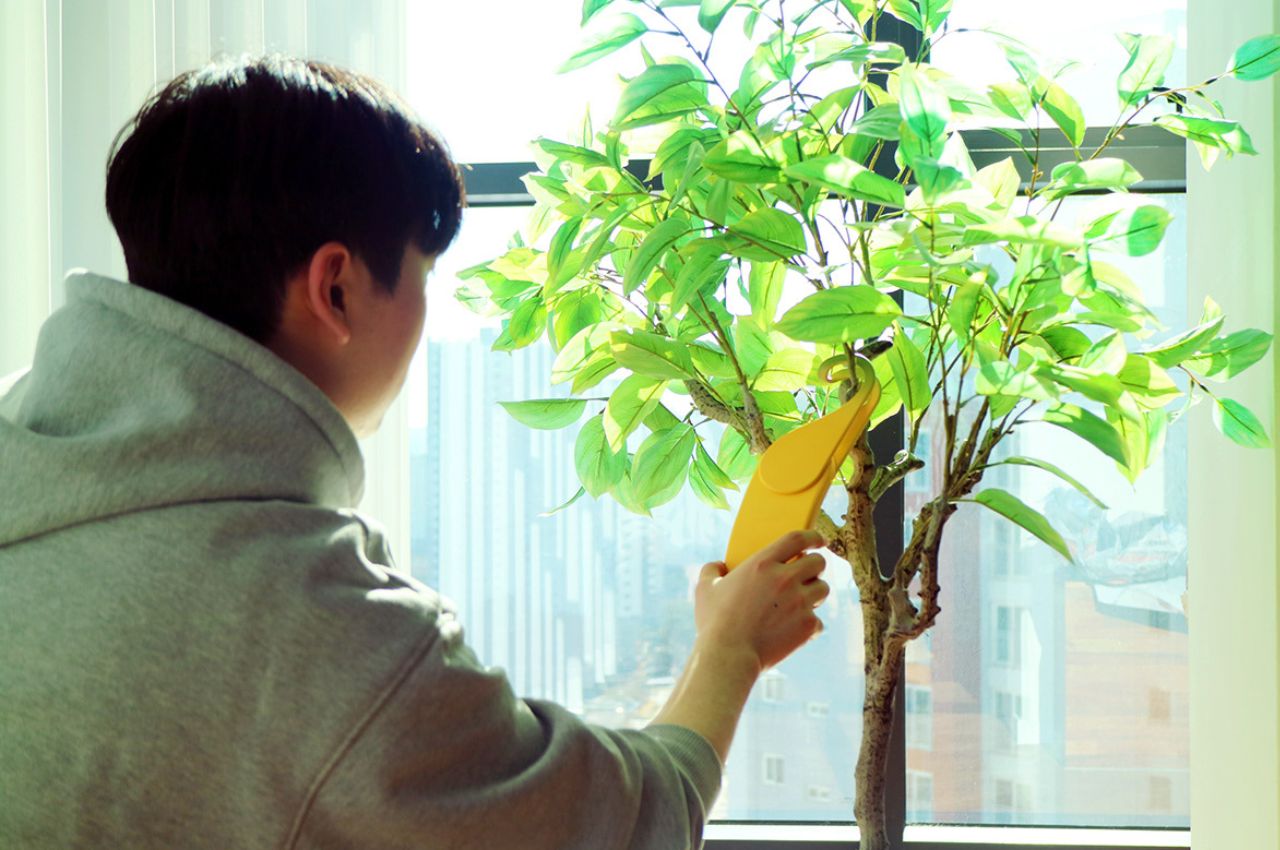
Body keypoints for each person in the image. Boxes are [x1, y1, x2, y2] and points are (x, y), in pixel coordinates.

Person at [0, 56, 829, 849]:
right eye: (424, 275)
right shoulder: (328, 631)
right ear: (337, 289)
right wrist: (730, 650)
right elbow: (620, 827)